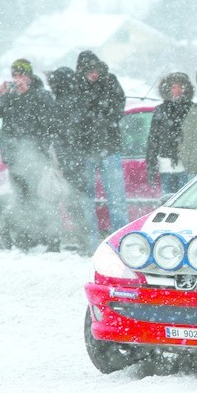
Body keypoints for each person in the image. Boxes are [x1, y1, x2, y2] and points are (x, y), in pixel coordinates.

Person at [0, 58, 59, 250]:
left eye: (22, 74)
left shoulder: (41, 95)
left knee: (41, 199)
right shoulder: (9, 95)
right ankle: (26, 237)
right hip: (14, 158)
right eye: (15, 75)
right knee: (21, 200)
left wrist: (28, 96)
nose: (18, 79)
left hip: (36, 157)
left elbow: (49, 121)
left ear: (30, 76)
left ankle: (52, 240)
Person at [73, 50, 128, 248]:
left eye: (95, 70)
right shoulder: (76, 86)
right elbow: (74, 115)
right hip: (86, 150)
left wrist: (99, 119)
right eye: (89, 71)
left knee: (117, 199)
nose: (93, 74)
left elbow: (118, 108)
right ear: (82, 71)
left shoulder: (110, 81)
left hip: (109, 148)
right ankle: (92, 243)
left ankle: (120, 241)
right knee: (86, 199)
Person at [47, 66, 90, 251]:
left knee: (72, 201)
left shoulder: (63, 103)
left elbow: (64, 135)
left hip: (70, 160)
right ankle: (84, 240)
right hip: (75, 159)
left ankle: (83, 240)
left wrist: (65, 162)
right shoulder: (77, 100)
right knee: (76, 201)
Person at [146, 72, 194, 195]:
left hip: (186, 166)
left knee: (186, 203)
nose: (177, 90)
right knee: (168, 202)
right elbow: (153, 139)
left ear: (186, 89)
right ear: (167, 89)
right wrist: (151, 165)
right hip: (166, 166)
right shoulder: (161, 110)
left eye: (180, 87)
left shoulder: (193, 109)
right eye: (174, 87)